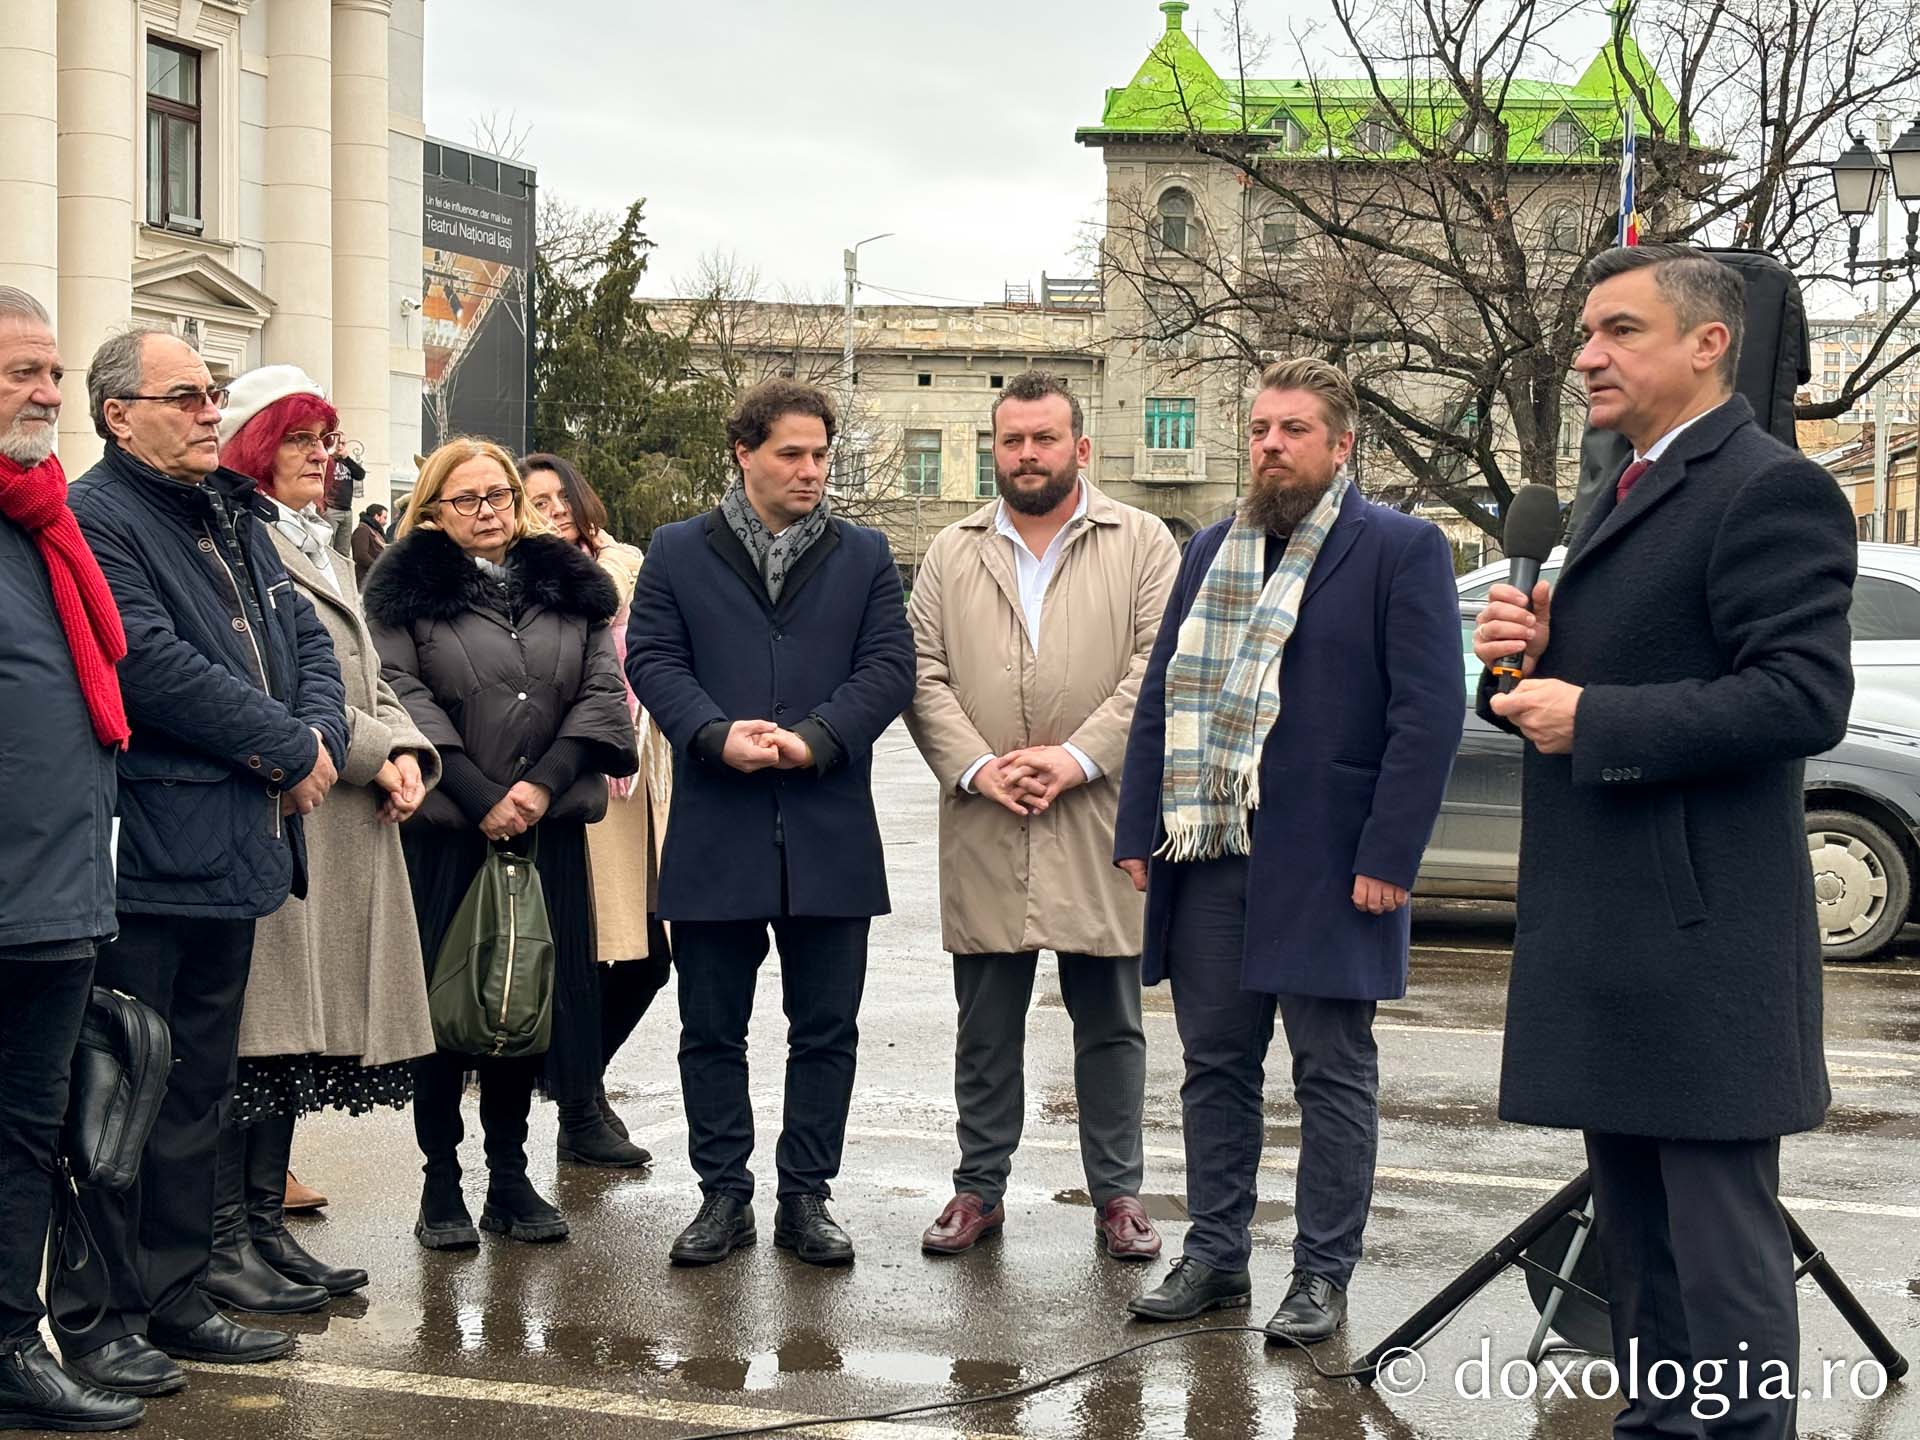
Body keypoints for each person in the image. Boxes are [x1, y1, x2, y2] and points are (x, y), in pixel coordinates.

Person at [1472, 243, 1856, 1440]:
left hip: (1704, 948)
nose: (1586, 353)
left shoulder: (1765, 485)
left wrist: (1593, 715)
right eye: (1586, 333)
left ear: (1708, 343)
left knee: (1723, 1276)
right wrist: (1528, 654)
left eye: (1619, 330)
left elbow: (1801, 697)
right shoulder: (1625, 487)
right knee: (1641, 1264)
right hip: (1618, 942)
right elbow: (1630, 667)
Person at [1115, 357, 1462, 1340]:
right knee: (1214, 1065)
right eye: (1261, 428)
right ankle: (1217, 1256)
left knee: (1332, 1072)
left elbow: (1428, 715)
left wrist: (1390, 856)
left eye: (1293, 430)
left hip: (1333, 861)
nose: (1271, 445)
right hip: (1210, 854)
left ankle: (1322, 1273)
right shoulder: (1213, 548)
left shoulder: (1401, 549)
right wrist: (1144, 823)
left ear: (1341, 444)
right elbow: (1165, 695)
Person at [50, 326, 348, 1384]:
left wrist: (321, 737)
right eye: (185, 397)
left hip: (234, 850)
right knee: (124, 1092)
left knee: (196, 1094)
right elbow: (147, 662)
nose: (209, 414)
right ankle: (108, 1313)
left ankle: (180, 1297)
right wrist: (284, 748)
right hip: (151, 854)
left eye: (214, 395)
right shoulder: (100, 516)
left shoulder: (227, 509)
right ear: (119, 414)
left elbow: (305, 641)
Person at [628, 378, 914, 1267]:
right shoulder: (678, 551)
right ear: (743, 453)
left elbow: (888, 667)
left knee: (825, 1029)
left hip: (828, 826)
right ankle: (723, 1197)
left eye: (822, 454)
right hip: (719, 824)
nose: (811, 470)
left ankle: (806, 1198)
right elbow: (653, 659)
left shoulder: (864, 554)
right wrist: (715, 735)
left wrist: (816, 739)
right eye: (792, 453)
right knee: (711, 1029)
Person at [904, 371, 1179, 1259]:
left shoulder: (1143, 542)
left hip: (1103, 815)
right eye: (1012, 440)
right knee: (984, 1027)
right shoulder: (951, 552)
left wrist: (1074, 758)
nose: (1027, 455)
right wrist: (980, 767)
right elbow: (920, 672)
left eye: (1044, 439)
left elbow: (1156, 667)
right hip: (988, 816)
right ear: (995, 448)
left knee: (1111, 1023)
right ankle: (978, 1189)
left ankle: (1119, 1198)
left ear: (1080, 449)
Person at [206, 366, 440, 1312]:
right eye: (303, 438)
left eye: (330, 439)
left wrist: (410, 750)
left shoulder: (327, 543)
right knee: (261, 1041)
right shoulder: (244, 539)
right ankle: (236, 1236)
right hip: (295, 808)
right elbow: (281, 689)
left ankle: (264, 1228)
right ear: (257, 445)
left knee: (297, 1045)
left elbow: (369, 673)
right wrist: (379, 752)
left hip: (348, 814)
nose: (324, 455)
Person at [367, 438, 637, 1251]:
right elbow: (398, 693)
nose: (486, 513)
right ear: (433, 510)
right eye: (466, 500)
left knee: (529, 1007)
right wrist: (482, 797)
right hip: (450, 832)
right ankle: (441, 1181)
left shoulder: (571, 586)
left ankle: (511, 1179)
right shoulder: (402, 593)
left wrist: (542, 785)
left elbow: (600, 692)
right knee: (447, 1013)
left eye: (499, 496)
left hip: (545, 827)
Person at [0, 288, 146, 1432]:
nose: (46, 394)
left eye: (51, 373)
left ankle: (9, 1342)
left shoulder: (42, 518)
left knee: (23, 1134)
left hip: (57, 898)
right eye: (20, 373)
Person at [521, 453, 671, 1167]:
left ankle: (578, 1082)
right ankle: (580, 1105)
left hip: (642, 781)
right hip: (575, 779)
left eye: (560, 498)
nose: (551, 512)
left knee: (649, 957)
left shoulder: (630, 561)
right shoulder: (525, 576)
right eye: (535, 501)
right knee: (583, 955)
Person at [350, 503, 388, 587]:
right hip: (366, 579)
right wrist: (378, 567)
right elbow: (361, 555)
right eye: (384, 518)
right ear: (376, 517)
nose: (386, 522)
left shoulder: (373, 531)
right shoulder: (362, 530)